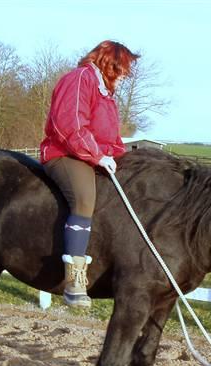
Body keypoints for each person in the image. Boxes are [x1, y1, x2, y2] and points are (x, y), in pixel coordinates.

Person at [40, 40, 139, 308]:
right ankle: (74, 279)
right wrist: (97, 155)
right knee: (84, 199)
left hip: (90, 155)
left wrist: (121, 157)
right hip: (65, 154)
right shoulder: (80, 79)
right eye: (122, 71)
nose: (123, 77)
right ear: (109, 65)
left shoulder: (105, 95)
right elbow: (69, 125)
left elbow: (111, 137)